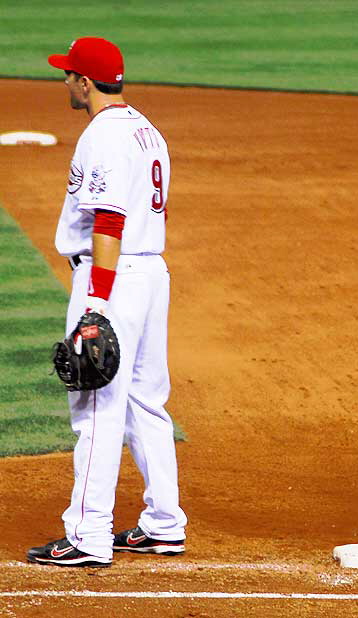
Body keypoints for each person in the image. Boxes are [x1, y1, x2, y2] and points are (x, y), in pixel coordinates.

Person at [27, 37, 187, 567]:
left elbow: (109, 221)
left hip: (111, 277)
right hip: (149, 273)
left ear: (85, 81)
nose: (65, 81)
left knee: (96, 407)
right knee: (145, 400)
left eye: (69, 74)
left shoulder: (103, 137)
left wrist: (96, 302)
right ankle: (165, 522)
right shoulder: (145, 128)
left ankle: (88, 534)